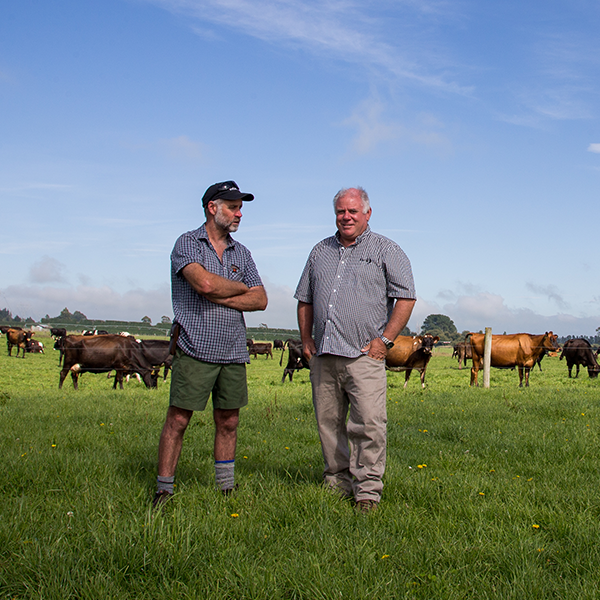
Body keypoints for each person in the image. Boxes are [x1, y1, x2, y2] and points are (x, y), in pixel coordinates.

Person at [294, 187, 416, 513]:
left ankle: (367, 493)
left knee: (369, 425)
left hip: (364, 356)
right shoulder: (320, 251)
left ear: (367, 213)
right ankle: (336, 484)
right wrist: (306, 340)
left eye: (352, 211)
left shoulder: (387, 250)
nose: (346, 217)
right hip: (324, 355)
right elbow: (304, 299)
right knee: (329, 424)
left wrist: (385, 340)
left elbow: (406, 298)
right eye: (340, 212)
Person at [153, 181, 268, 507]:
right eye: (233, 206)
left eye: (240, 206)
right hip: (194, 347)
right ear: (211, 207)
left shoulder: (241, 252)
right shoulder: (188, 243)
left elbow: (260, 299)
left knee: (229, 421)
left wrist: (219, 295)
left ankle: (225, 489)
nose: (239, 213)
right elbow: (202, 283)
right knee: (178, 420)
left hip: (233, 350)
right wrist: (233, 288)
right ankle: (164, 489)